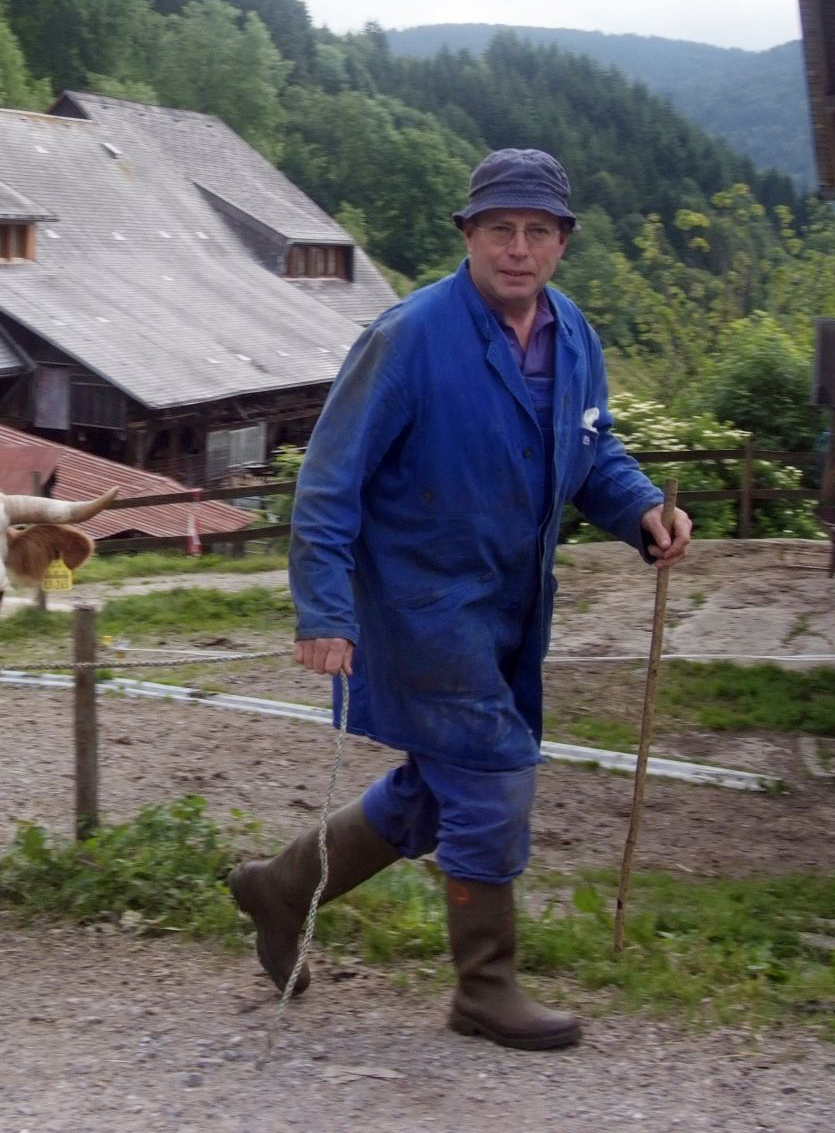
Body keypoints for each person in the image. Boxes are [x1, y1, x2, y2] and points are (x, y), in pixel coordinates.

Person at [229, 148, 691, 1051]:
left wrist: (641, 510)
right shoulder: (410, 336)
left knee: (438, 793)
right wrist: (324, 609)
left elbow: (593, 451)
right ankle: (486, 988)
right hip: (418, 605)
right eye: (499, 230)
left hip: (513, 609)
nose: (518, 249)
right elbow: (329, 479)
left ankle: (280, 889)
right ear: (469, 236)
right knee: (492, 778)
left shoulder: (574, 335)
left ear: (561, 244)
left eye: (537, 232)